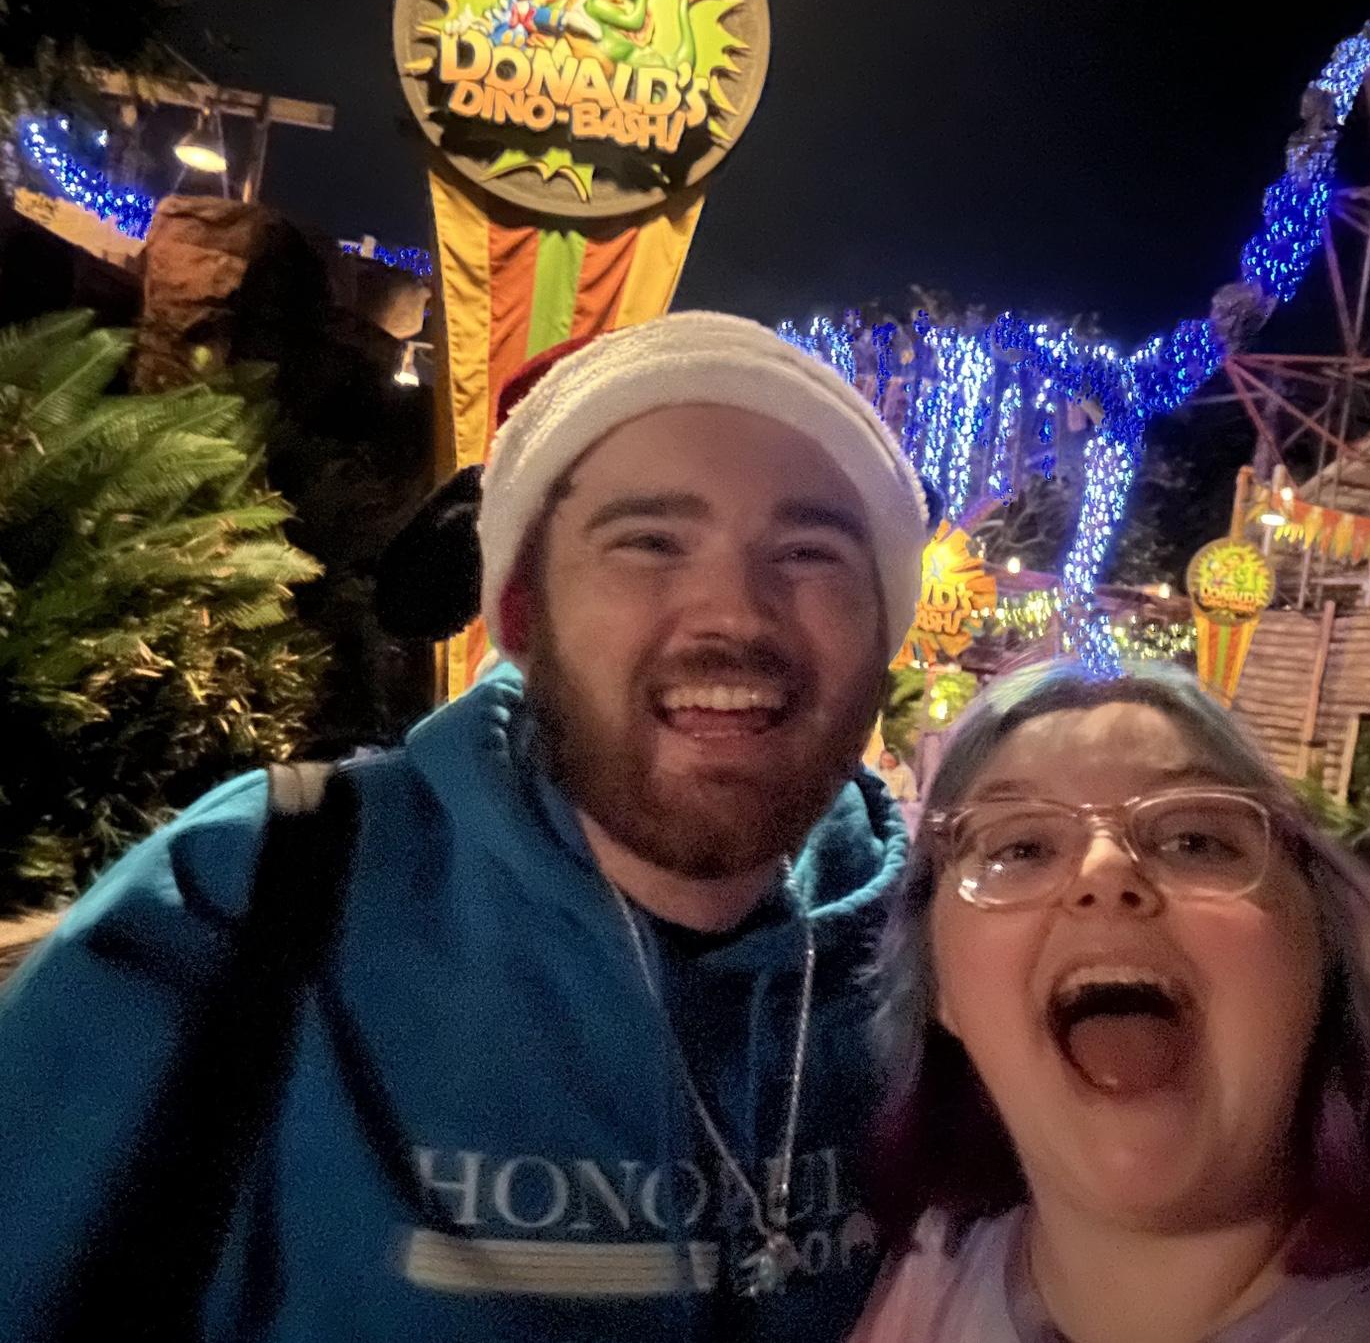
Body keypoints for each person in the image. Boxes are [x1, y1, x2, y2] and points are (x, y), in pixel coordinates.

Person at [0, 312, 931, 1341]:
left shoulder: (953, 965)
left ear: (883, 629)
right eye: (649, 543)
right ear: (522, 616)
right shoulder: (252, 894)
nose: (736, 614)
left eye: (809, 553)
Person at [854, 661, 1370, 1343]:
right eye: (1021, 848)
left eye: (1195, 841)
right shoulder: (927, 1276)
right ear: (941, 988)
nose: (1105, 871)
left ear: (1319, 954)